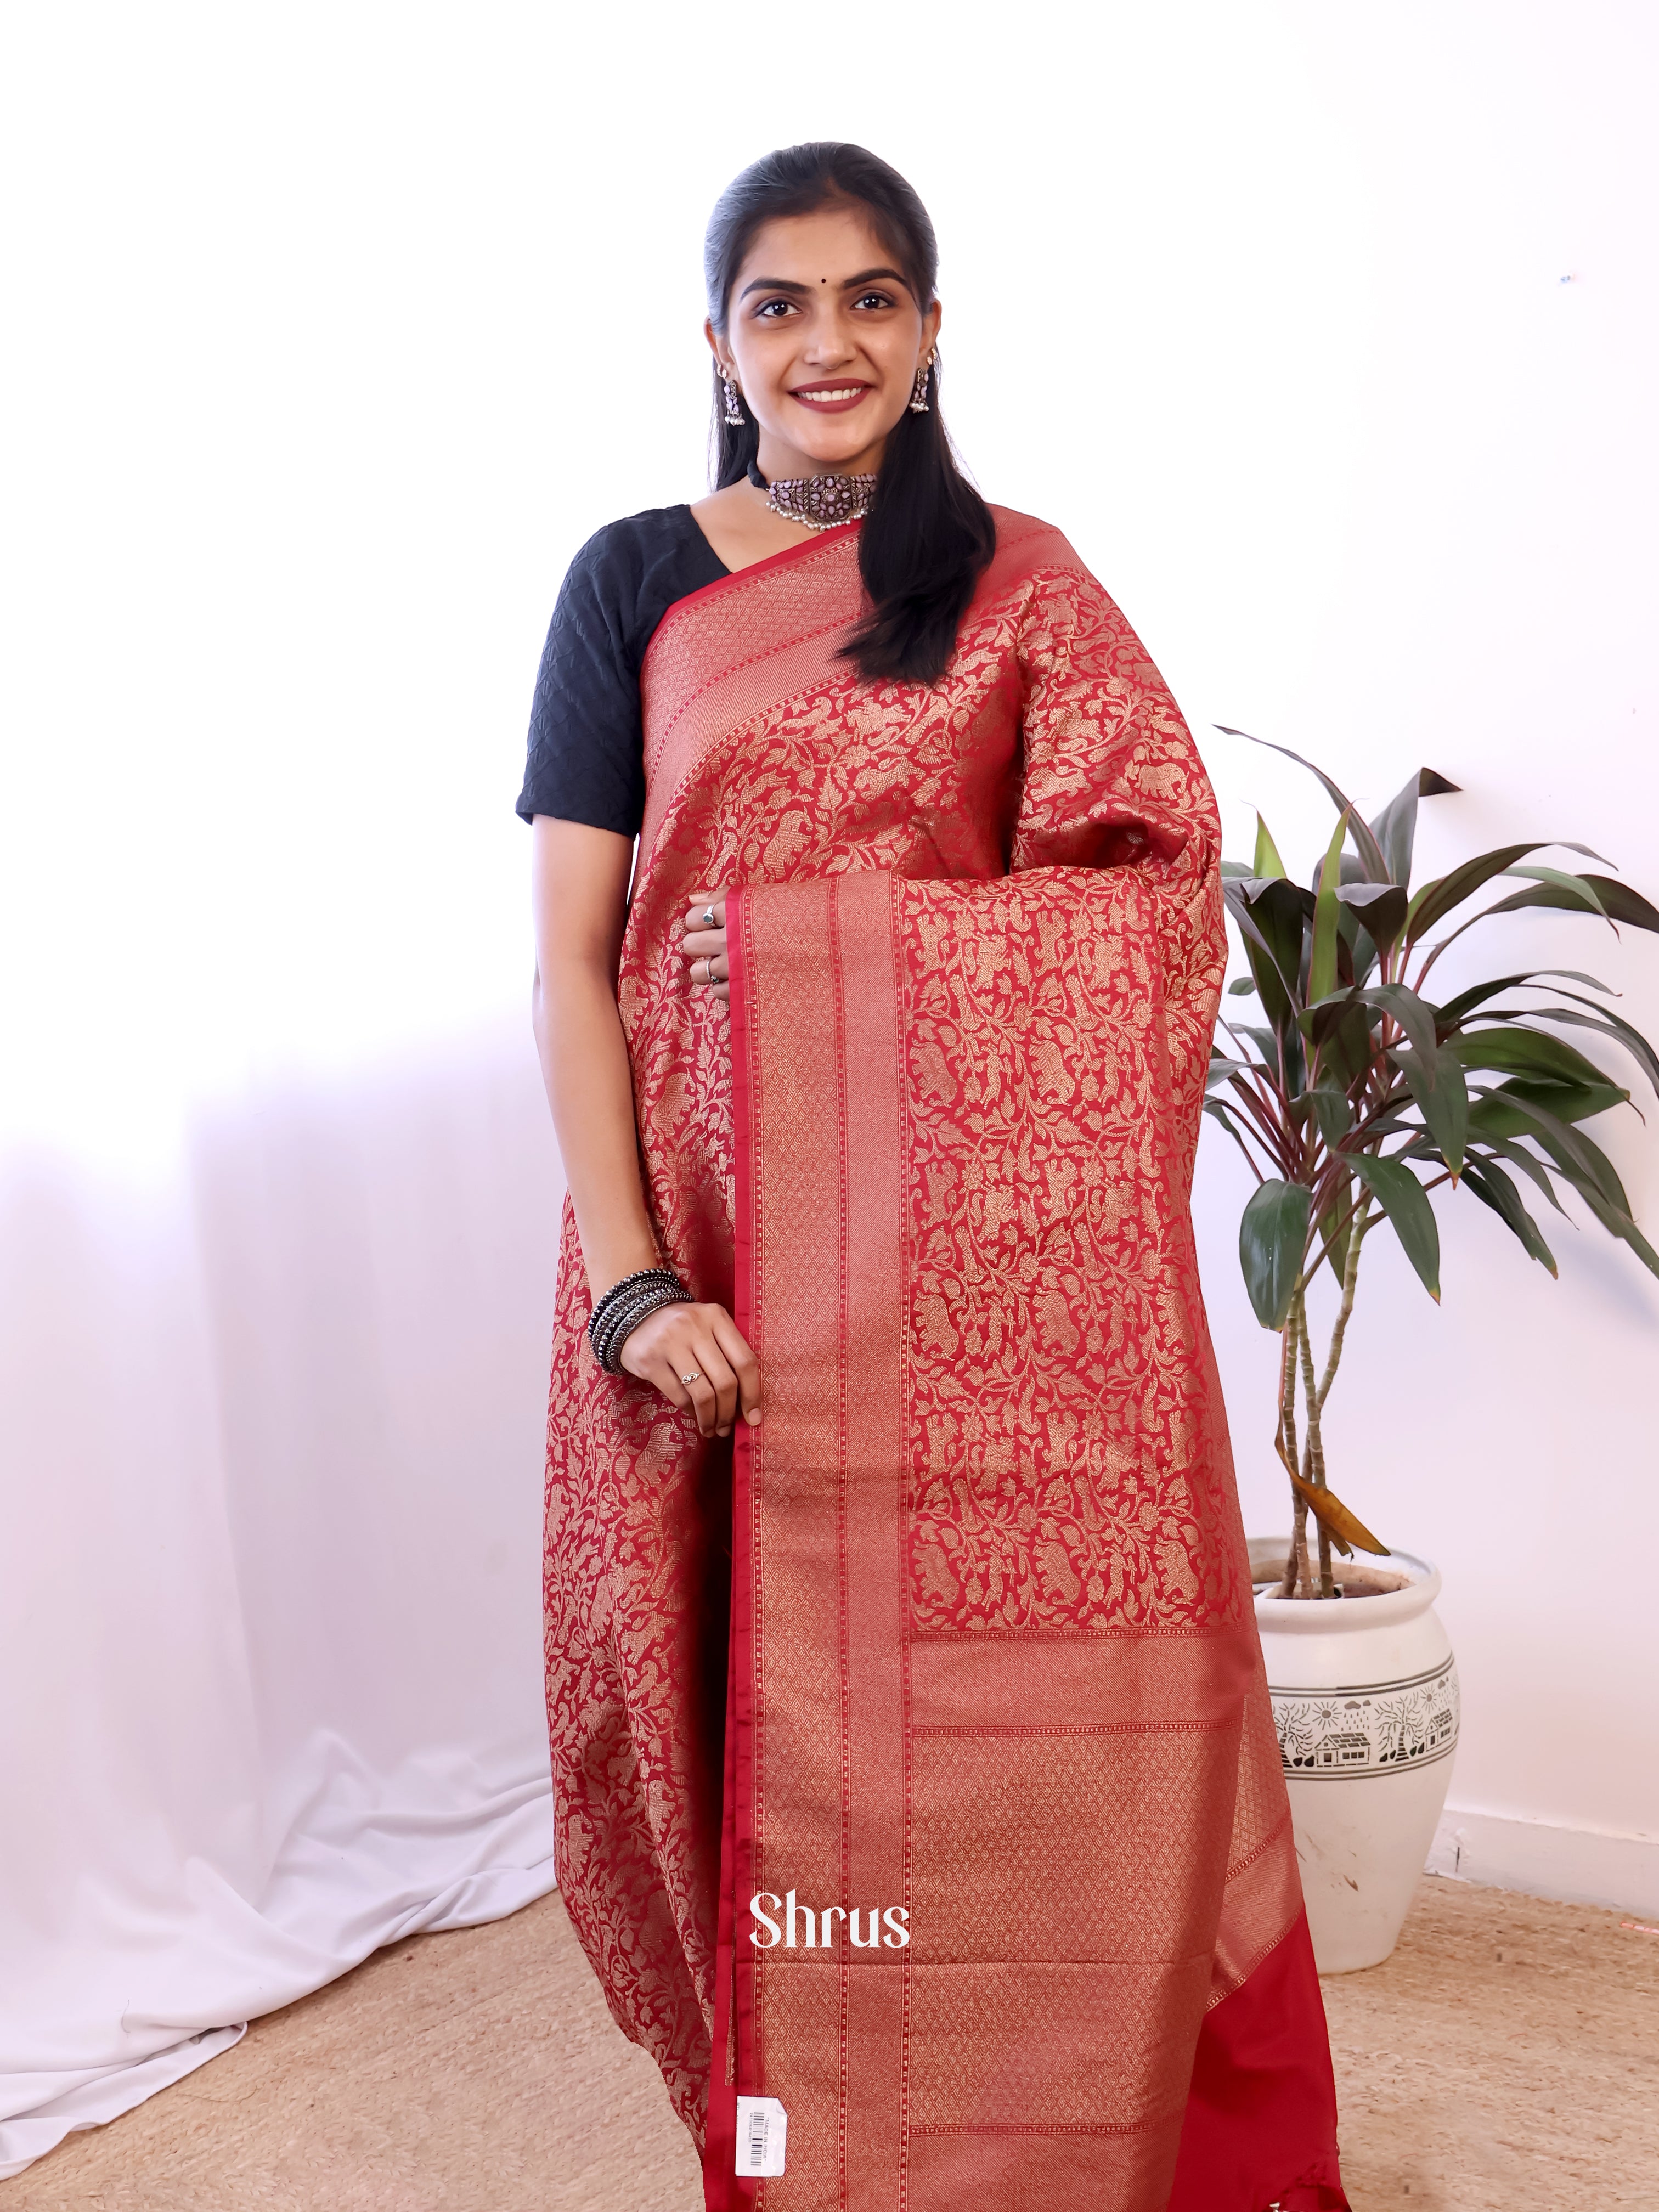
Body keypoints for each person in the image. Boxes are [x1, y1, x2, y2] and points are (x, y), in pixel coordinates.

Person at [521, 141, 1348, 2212]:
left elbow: (1160, 906)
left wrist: (817, 957)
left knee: (1024, 1740)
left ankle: (1042, 2139)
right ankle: (808, 2146)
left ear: (932, 329)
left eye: (871, 298)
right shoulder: (632, 579)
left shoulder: (1020, 583)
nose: (828, 342)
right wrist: (634, 1289)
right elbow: (564, 961)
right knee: (720, 1722)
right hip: (705, 1249)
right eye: (781, 306)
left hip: (984, 1295)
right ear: (717, 343)